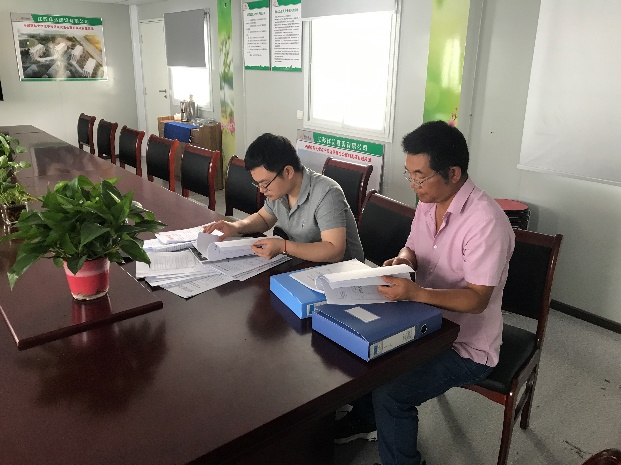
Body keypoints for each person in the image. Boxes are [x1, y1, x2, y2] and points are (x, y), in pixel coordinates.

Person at [334, 121, 515, 465]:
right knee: (359, 345)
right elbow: (413, 247)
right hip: (421, 320)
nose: (414, 185)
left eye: (420, 177)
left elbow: (477, 299)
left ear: (453, 173)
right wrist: (403, 260)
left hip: (463, 343)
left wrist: (415, 292)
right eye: (410, 175)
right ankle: (367, 419)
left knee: (392, 394)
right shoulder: (429, 201)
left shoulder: (486, 223)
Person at [204, 133, 364, 263]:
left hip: (342, 273)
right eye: (258, 184)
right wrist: (236, 226)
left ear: (288, 172)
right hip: (305, 263)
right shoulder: (279, 191)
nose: (262, 190)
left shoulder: (327, 193)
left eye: (265, 184)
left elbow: (334, 251)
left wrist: (283, 246)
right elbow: (264, 218)